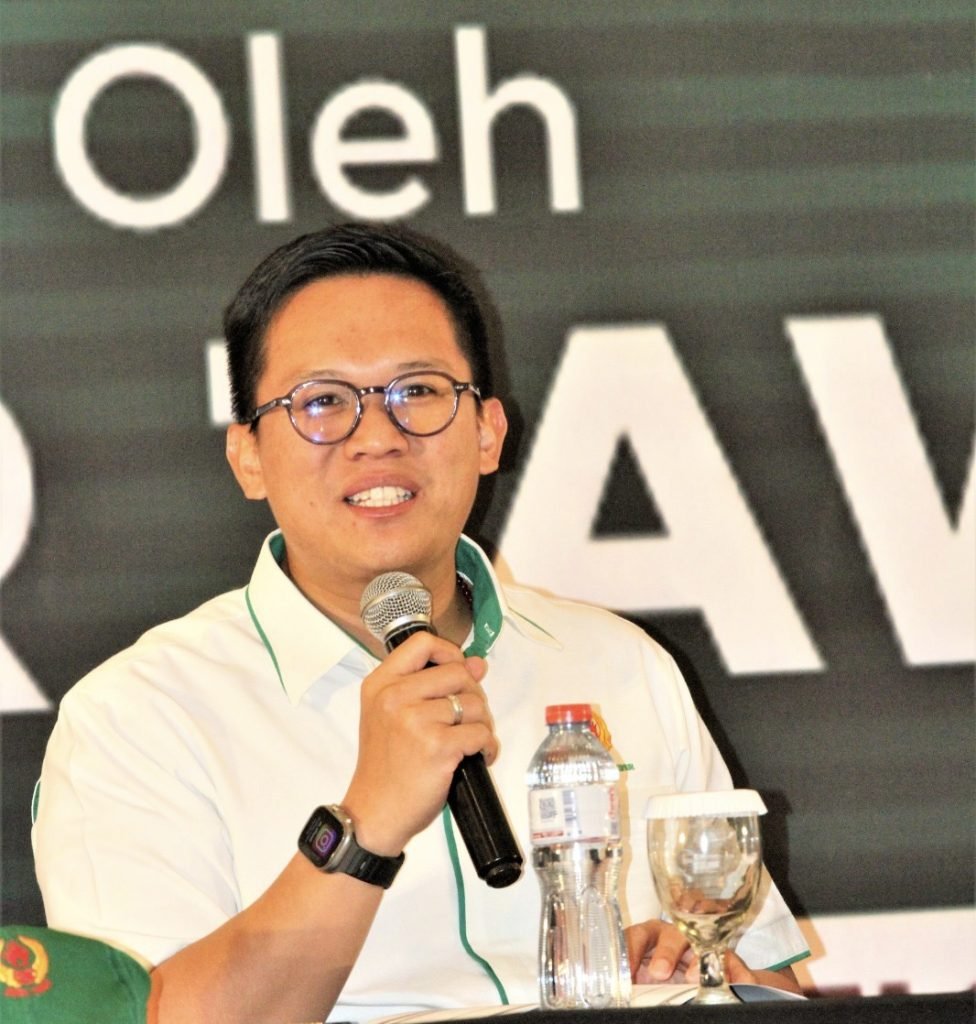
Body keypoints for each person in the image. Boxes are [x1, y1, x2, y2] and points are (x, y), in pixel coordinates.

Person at [32, 222, 809, 1024]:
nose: (377, 438)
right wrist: (364, 825)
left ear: (488, 433)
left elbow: (779, 995)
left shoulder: (622, 665)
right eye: (322, 402)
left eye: (418, 393)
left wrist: (695, 977)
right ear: (248, 457)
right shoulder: (138, 717)